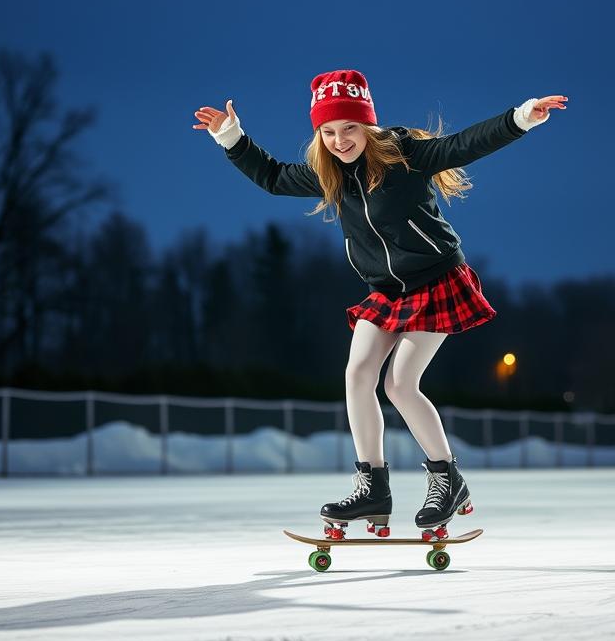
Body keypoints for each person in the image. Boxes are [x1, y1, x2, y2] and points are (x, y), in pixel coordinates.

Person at [193, 69, 566, 540]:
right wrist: (231, 136)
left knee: (401, 384)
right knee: (357, 374)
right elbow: (271, 177)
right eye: (327, 132)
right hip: (386, 292)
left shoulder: (407, 156)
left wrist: (520, 118)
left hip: (436, 282)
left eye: (348, 128)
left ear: (367, 125)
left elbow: (464, 145)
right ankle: (372, 485)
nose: (339, 140)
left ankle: (446, 479)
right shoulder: (330, 174)